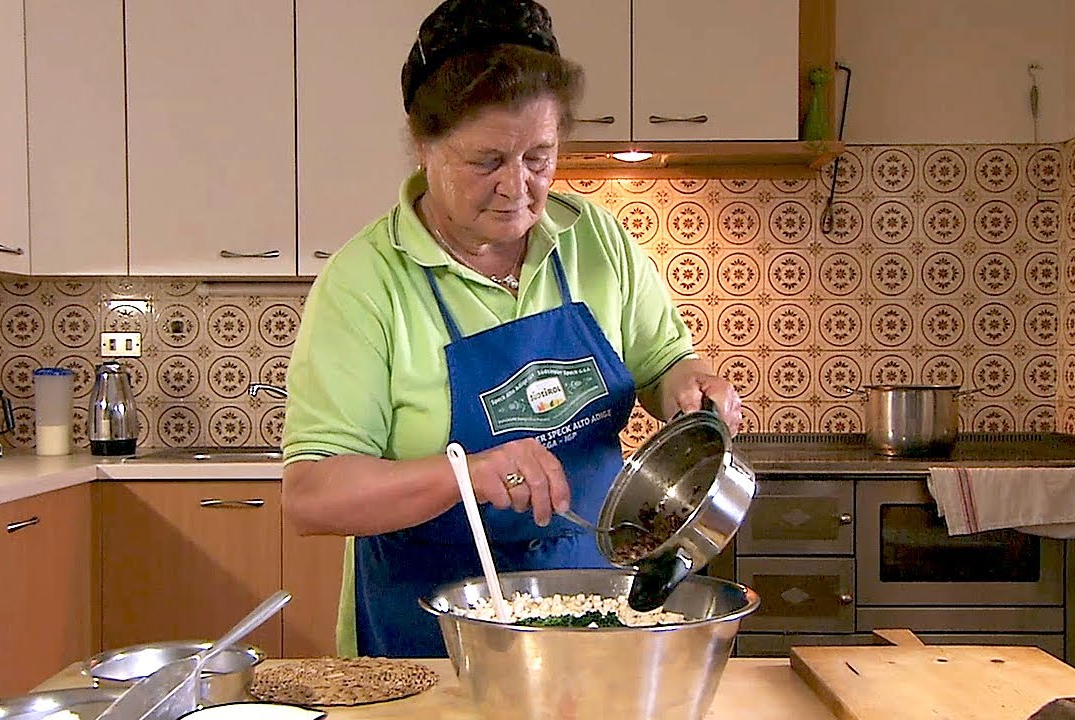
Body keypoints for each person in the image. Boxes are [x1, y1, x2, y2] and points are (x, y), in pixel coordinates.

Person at [280, 0, 742, 659]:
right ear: (424, 145)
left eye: (539, 157)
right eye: (486, 160)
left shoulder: (594, 240)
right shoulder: (366, 281)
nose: (517, 187)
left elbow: (665, 361)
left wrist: (691, 386)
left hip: (591, 610)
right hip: (427, 631)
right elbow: (312, 497)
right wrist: (466, 475)